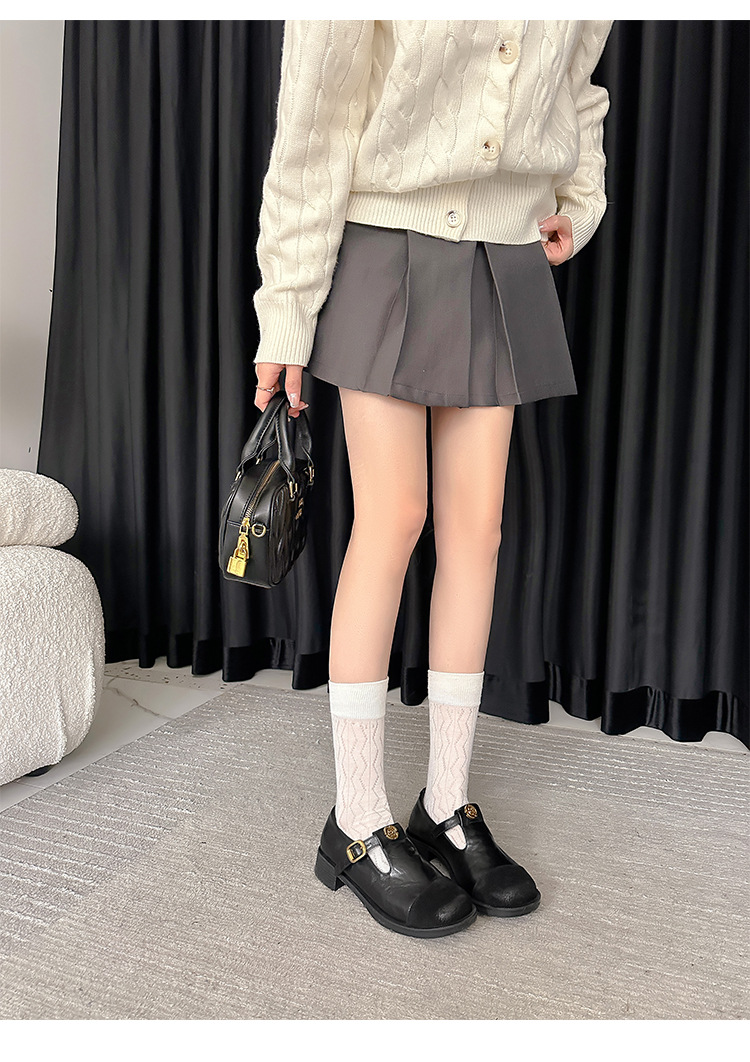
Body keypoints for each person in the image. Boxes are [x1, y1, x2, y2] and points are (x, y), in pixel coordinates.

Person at [251, 20, 613, 938]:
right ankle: (357, 816)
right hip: (385, 240)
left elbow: (579, 88)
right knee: (394, 517)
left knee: (478, 529)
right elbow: (314, 120)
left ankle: (445, 804)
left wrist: (580, 197)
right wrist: (286, 311)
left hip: (506, 249)